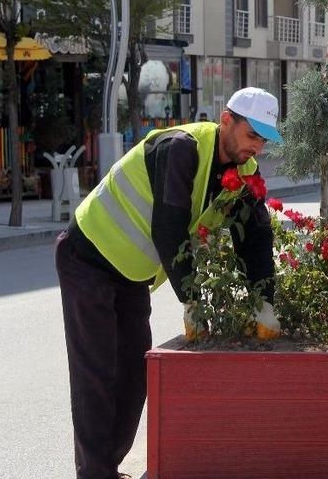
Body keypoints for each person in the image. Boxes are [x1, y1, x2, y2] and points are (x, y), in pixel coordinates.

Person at [55, 87, 283, 479]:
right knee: (97, 373)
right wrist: (192, 300)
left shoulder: (244, 171)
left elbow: (255, 239)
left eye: (264, 140)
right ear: (226, 121)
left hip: (130, 272)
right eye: (252, 135)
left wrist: (265, 302)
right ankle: (95, 474)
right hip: (87, 256)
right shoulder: (181, 148)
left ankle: (106, 467)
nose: (257, 148)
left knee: (135, 373)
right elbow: (169, 227)